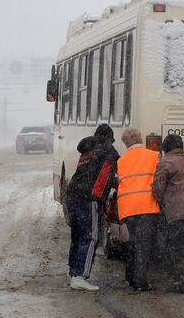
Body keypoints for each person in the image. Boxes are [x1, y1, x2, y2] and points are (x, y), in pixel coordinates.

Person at [66, 124, 119, 291]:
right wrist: (100, 199)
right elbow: (105, 177)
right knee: (91, 236)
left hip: (73, 194)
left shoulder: (87, 149)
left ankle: (74, 272)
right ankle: (81, 276)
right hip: (89, 198)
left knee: (78, 234)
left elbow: (91, 173)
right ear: (109, 139)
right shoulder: (108, 152)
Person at [152, 134, 184, 294]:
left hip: (177, 212)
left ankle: (183, 283)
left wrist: (160, 200)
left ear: (165, 149)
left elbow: (158, 190)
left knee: (178, 248)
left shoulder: (165, 163)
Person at [117, 128, 160, 291]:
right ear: (140, 138)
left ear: (125, 143)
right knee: (144, 244)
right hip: (146, 205)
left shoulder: (121, 160)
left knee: (133, 242)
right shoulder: (153, 156)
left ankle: (130, 277)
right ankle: (140, 281)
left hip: (128, 207)